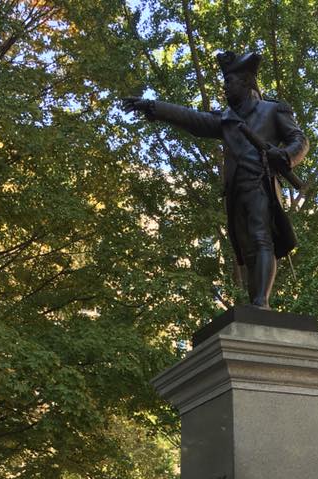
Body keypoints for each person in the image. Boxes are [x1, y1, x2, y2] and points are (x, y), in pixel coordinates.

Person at [123, 49, 308, 309]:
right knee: (247, 249)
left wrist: (287, 156)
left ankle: (261, 303)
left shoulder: (273, 110)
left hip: (260, 185)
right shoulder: (227, 119)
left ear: (245, 82)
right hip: (236, 192)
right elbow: (192, 118)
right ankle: (256, 304)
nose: (224, 89)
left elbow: (299, 140)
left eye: (229, 82)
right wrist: (153, 106)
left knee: (261, 238)